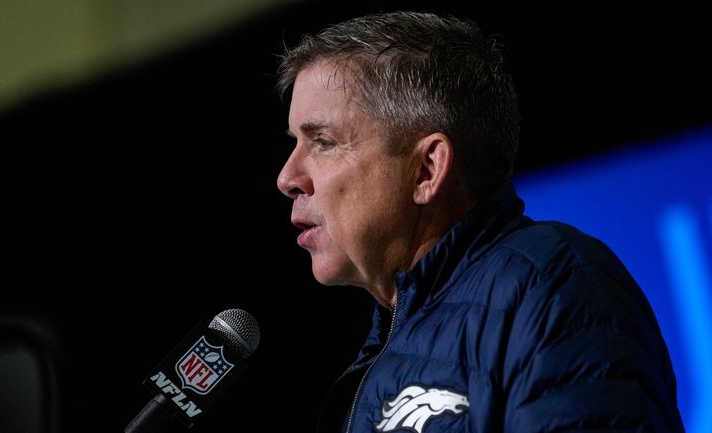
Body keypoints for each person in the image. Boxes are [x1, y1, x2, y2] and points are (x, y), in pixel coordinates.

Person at [275, 11, 685, 433]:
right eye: (295, 144)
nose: (287, 178)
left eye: (323, 142)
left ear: (426, 171)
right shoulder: (392, 342)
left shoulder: (555, 287)